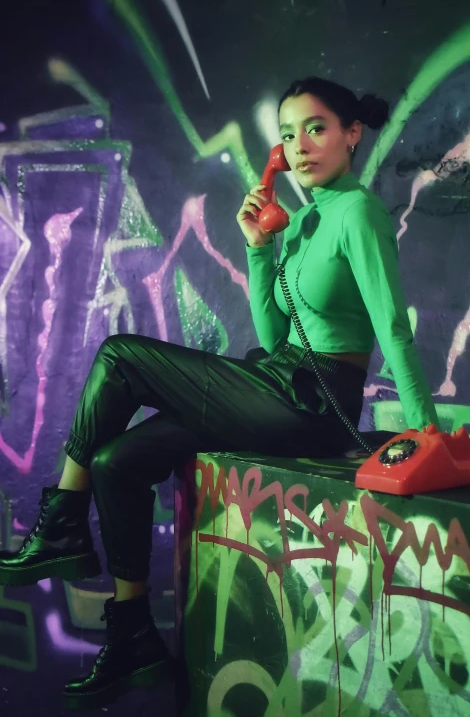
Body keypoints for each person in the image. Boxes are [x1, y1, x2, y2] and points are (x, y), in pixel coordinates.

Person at [0, 76, 438, 709]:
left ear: (351, 134)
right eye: (288, 134)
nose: (301, 146)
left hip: (313, 402)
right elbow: (275, 331)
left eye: (316, 128)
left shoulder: (359, 212)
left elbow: (392, 327)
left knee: (120, 355)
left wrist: (424, 436)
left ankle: (63, 521)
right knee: (116, 463)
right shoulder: (309, 218)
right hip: (278, 378)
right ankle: (133, 637)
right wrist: (262, 248)